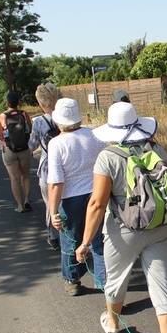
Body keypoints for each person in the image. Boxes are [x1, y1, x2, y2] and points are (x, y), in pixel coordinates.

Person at [76, 102, 167, 333]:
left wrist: (85, 242)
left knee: (116, 279)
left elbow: (98, 203)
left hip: (123, 230)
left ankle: (113, 325)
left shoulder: (108, 157)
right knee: (163, 286)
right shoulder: (156, 148)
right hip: (159, 226)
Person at [47, 97, 106, 296]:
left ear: (58, 120)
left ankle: (72, 280)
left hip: (70, 198)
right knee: (98, 240)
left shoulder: (56, 144)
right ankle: (104, 282)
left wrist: (53, 211)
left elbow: (56, 182)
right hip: (97, 193)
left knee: (70, 238)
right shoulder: (95, 135)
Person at [28, 82, 61, 250]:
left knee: (50, 203)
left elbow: (32, 145)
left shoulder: (39, 122)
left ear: (41, 102)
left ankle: (53, 235)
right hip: (65, 164)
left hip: (48, 166)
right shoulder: (64, 117)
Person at [0, 91, 33, 213]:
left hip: (9, 150)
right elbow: (30, 129)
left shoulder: (2, 116)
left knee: (14, 178)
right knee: (26, 175)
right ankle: (27, 199)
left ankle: (19, 206)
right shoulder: (23, 114)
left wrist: (5, 142)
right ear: (18, 102)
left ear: (7, 102)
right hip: (24, 149)